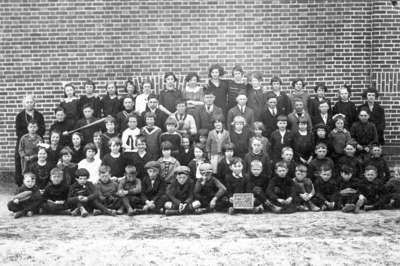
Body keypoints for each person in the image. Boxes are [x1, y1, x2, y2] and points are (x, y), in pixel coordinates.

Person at [15, 95, 45, 185]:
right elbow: (18, 131)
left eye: (31, 102)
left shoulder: (39, 115)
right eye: (27, 102)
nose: (29, 104)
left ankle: (37, 184)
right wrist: (28, 136)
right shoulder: (20, 116)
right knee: (20, 161)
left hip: (36, 141)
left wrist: (34, 136)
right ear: (24, 104)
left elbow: (42, 129)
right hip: (24, 141)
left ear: (34, 103)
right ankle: (21, 184)